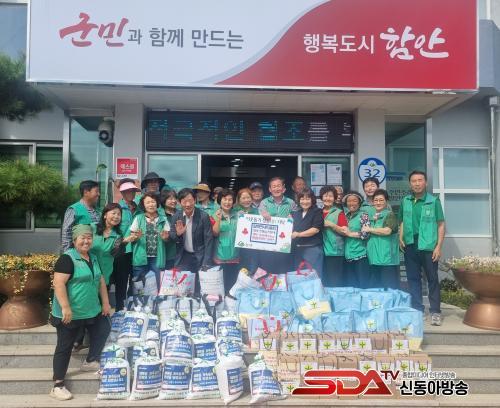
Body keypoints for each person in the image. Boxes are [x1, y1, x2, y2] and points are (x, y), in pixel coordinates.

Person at [49, 224, 111, 401]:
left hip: (92, 309)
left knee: (103, 328)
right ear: (74, 240)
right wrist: (65, 307)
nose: (86, 241)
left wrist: (105, 303)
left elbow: (100, 280)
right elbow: (58, 283)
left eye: (89, 237)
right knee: (65, 346)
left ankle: (91, 361)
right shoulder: (67, 259)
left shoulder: (93, 257)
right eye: (82, 238)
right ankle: (58, 385)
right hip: (70, 313)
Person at [399, 170, 445, 326]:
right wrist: (400, 237)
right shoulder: (405, 201)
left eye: (420, 180)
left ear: (425, 183)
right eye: (414, 181)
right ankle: (418, 309)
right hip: (410, 244)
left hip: (428, 245)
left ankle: (435, 311)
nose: (417, 183)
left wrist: (438, 246)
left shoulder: (433, 201)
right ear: (410, 184)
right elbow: (402, 221)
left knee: (432, 279)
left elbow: (440, 224)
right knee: (413, 279)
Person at [169, 188, 214, 294]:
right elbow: (172, 237)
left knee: (200, 285)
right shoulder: (176, 216)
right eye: (184, 201)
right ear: (179, 202)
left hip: (200, 255)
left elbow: (208, 240)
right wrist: (178, 234)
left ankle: (198, 302)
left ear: (195, 200)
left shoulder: (203, 216)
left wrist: (206, 262)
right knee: (184, 286)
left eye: (190, 200)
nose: (188, 204)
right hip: (184, 256)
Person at [127, 192, 169, 290]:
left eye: (153, 202)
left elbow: (167, 238)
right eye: (148, 202)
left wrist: (165, 238)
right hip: (141, 257)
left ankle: (156, 300)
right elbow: (132, 236)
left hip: (157, 258)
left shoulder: (163, 219)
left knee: (158, 286)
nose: (151, 204)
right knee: (139, 287)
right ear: (143, 205)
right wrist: (136, 237)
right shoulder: (138, 218)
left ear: (157, 203)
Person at [259, 177, 298, 273]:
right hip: (267, 244)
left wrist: (293, 220)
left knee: (283, 271)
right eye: (274, 186)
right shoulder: (264, 203)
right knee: (268, 271)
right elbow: (258, 222)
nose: (276, 189)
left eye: (278, 186)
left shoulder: (291, 203)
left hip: (284, 244)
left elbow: (297, 220)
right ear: (270, 189)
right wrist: (262, 216)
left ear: (283, 188)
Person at [363, 189, 400, 289]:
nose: (378, 203)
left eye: (381, 200)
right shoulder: (371, 217)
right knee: (375, 290)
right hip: (374, 259)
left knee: (389, 289)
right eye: (376, 200)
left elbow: (387, 231)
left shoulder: (389, 215)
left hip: (387, 260)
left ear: (386, 201)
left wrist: (370, 229)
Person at [90, 203, 134, 286]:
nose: (116, 216)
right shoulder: (92, 227)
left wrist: (124, 242)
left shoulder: (118, 235)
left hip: (105, 273)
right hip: (88, 272)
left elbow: (115, 253)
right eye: (113, 213)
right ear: (105, 215)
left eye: (119, 214)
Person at [113, 179, 140, 311]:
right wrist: (123, 240)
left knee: (136, 281)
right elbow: (112, 229)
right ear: (122, 193)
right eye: (128, 191)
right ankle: (119, 310)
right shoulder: (117, 209)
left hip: (137, 250)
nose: (131, 193)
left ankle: (133, 309)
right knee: (121, 282)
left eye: (133, 191)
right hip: (122, 251)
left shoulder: (139, 209)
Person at [211, 189, 240, 292]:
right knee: (219, 286)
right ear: (220, 200)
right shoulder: (214, 215)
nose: (227, 202)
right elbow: (215, 233)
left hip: (234, 255)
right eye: (224, 199)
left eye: (230, 199)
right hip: (219, 255)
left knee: (232, 284)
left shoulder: (238, 215)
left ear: (233, 202)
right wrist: (219, 219)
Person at [291, 188, 324, 277]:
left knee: (313, 277)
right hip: (298, 250)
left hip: (312, 250)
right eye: (302, 199)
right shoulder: (296, 213)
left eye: (307, 199)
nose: (305, 202)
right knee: (299, 277)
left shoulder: (317, 211)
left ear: (312, 199)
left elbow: (315, 229)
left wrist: (298, 234)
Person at [61, 180, 100, 252]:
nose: (98, 194)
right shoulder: (74, 209)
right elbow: (66, 233)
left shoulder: (98, 211)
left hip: (96, 253)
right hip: (79, 253)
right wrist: (68, 253)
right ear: (86, 192)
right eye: (96, 191)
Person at [342, 191, 371, 288]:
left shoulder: (363, 215)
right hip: (348, 256)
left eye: (354, 201)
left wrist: (350, 234)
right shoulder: (346, 216)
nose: (351, 203)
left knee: (362, 286)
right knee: (351, 287)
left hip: (360, 255)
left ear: (359, 203)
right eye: (349, 201)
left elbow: (366, 234)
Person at [320, 186, 348, 287]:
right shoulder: (318, 212)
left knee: (334, 282)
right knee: (323, 283)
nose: (327, 198)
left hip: (334, 252)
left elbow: (345, 232)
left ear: (334, 198)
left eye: (330, 196)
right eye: (325, 196)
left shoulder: (339, 213)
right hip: (321, 252)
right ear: (321, 197)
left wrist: (332, 225)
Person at [234, 188, 259, 271]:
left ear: (252, 199)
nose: (246, 200)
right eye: (243, 198)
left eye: (248, 197)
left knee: (252, 271)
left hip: (253, 248)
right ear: (239, 200)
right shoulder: (233, 211)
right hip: (238, 248)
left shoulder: (257, 212)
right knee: (240, 271)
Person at [160, 189, 178, 270]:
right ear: (164, 201)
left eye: (175, 198)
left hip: (180, 254)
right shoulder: (159, 214)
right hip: (165, 253)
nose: (174, 201)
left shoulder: (180, 213)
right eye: (170, 199)